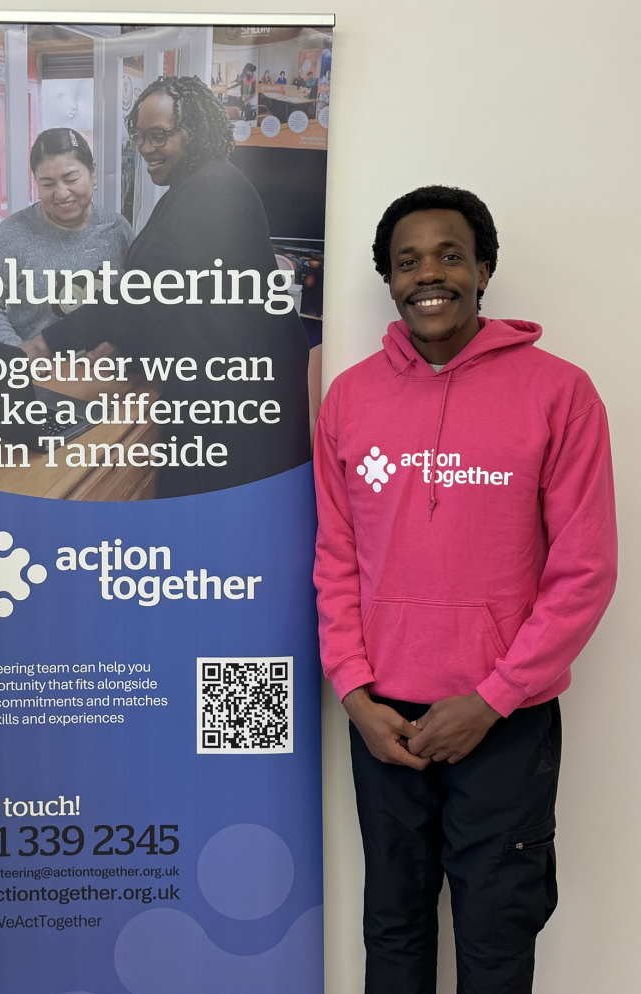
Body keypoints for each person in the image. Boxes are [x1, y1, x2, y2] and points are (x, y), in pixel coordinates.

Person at [314, 186, 617, 993]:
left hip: (504, 723)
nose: (430, 275)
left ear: (484, 268)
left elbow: (585, 571)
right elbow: (336, 556)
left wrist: (491, 697)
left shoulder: (561, 393)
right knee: (395, 934)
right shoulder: (350, 397)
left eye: (450, 253)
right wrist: (351, 690)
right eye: (407, 261)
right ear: (388, 279)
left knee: (496, 937)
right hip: (383, 721)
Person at [22, 76, 310, 498]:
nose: (145, 147)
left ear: (195, 132)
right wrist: (127, 345)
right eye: (139, 134)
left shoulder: (210, 192)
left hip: (237, 392)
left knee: (224, 514)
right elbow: (178, 298)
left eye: (159, 135)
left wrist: (46, 343)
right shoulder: (197, 184)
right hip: (227, 373)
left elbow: (140, 292)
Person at [0, 128, 133, 345]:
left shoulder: (117, 229)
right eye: (48, 184)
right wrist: (18, 353)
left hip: (109, 371)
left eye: (71, 179)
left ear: (93, 172)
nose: (62, 193)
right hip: (41, 375)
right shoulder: (12, 235)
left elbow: (135, 298)